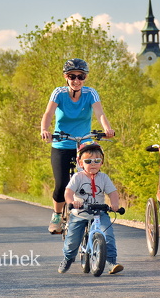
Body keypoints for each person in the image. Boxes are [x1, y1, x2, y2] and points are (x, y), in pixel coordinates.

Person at [41, 58, 114, 234]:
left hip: (84, 143)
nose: (76, 80)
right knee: (61, 183)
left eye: (80, 76)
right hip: (61, 142)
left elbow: (100, 113)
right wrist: (45, 129)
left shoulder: (91, 93)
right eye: (71, 76)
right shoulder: (59, 93)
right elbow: (49, 113)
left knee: (92, 175)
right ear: (66, 77)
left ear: (85, 77)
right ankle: (57, 215)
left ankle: (93, 208)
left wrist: (107, 129)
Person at [58, 142, 124, 274]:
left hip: (99, 213)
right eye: (88, 161)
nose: (93, 164)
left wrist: (115, 204)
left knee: (108, 235)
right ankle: (68, 258)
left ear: (102, 162)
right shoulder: (78, 177)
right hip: (80, 213)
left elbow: (112, 193)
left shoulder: (104, 178)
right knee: (72, 241)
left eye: (97, 161)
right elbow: (68, 192)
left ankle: (111, 262)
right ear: (81, 163)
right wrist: (72, 202)